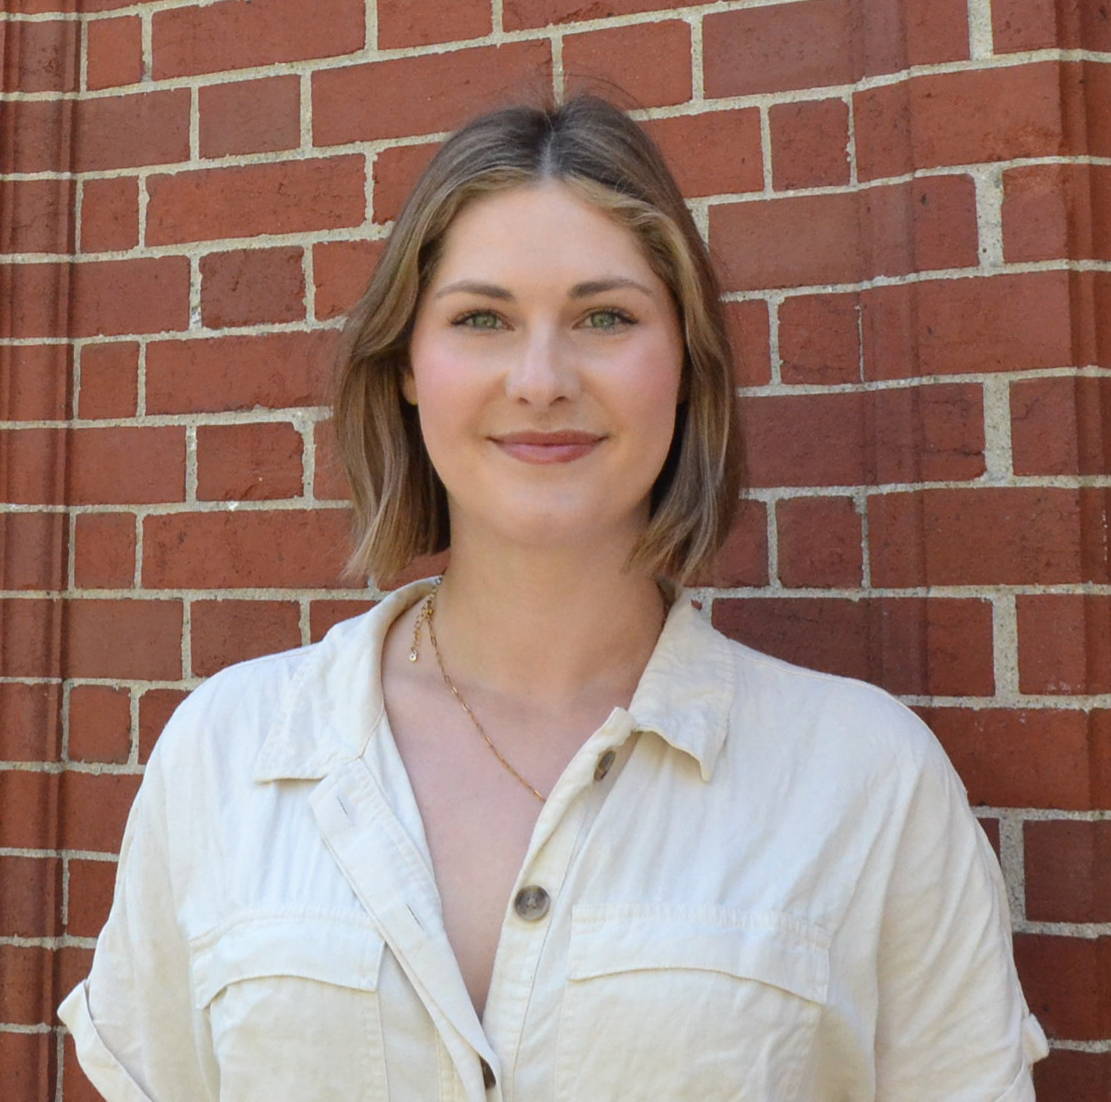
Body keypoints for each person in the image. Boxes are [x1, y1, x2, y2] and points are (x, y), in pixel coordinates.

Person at [60, 95, 1047, 1101]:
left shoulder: (864, 782)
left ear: (685, 366)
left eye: (604, 317)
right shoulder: (229, 752)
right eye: (481, 318)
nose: (540, 377)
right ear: (408, 364)